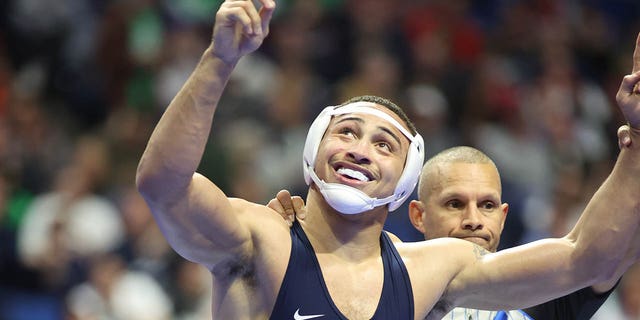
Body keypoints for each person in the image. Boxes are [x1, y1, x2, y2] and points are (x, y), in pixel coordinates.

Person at [135, 1, 640, 319]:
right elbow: (163, 185)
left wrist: (637, 136)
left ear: (406, 180)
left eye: (384, 144)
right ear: (313, 152)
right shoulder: (259, 238)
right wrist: (219, 61)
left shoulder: (433, 270)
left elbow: (585, 258)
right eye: (347, 133)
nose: (359, 148)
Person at [270, 145, 638, 320]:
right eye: (455, 204)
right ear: (418, 214)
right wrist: (302, 236)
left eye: (488, 205)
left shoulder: (542, 289)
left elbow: (606, 250)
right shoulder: (385, 284)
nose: (474, 219)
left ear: (504, 216)